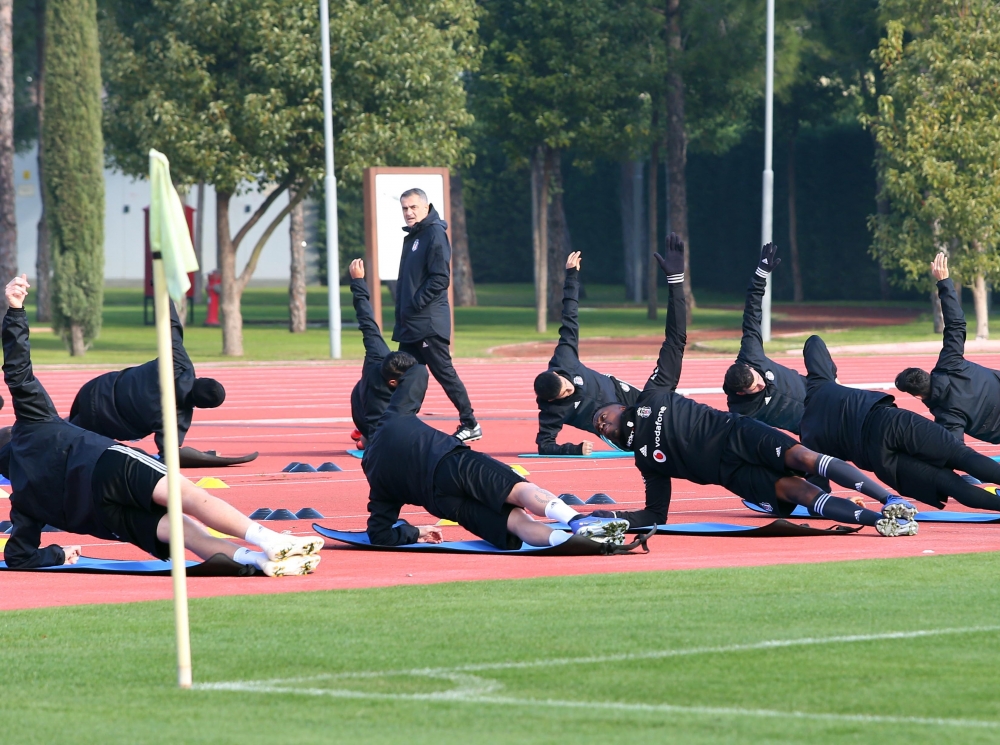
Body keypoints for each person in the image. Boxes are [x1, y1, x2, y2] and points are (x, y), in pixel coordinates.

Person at [589, 235, 918, 537]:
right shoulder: (646, 461)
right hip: (731, 474)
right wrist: (614, 518)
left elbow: (675, 340)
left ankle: (889, 499)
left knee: (804, 458)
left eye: (602, 416)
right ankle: (881, 521)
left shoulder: (653, 394)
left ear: (621, 405)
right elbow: (654, 514)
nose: (601, 423)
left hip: (738, 434)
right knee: (799, 492)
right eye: (598, 428)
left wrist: (675, 283)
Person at [0, 275, 321, 576]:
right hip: (107, 465)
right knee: (190, 496)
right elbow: (18, 371)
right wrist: (15, 310)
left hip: (102, 516)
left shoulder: (24, 501)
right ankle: (269, 540)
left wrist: (59, 553)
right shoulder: (32, 424)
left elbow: (19, 557)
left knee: (181, 531)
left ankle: (256, 561)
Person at [362, 352, 629, 549]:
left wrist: (414, 531)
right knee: (518, 490)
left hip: (441, 503)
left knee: (515, 523)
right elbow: (418, 371)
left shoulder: (375, 477)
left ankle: (568, 541)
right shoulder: (392, 417)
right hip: (452, 464)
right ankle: (577, 523)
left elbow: (380, 535)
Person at [801, 332, 1000, 512]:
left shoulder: (808, 435)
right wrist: (832, 375)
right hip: (889, 422)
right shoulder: (818, 383)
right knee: (962, 456)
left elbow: (818, 491)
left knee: (950, 484)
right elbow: (814, 342)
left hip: (880, 460)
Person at [68, 298, 225, 458]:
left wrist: (162, 290)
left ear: (202, 379)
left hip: (96, 389)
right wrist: (205, 457)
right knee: (70, 441)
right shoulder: (177, 418)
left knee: (66, 428)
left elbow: (172, 326)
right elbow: (168, 457)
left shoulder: (178, 362)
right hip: (105, 424)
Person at [391, 188, 480, 442]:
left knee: (444, 372)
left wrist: (416, 304)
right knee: (402, 373)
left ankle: (470, 422)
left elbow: (440, 278)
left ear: (426, 206)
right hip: (412, 324)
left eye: (413, 208)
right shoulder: (413, 236)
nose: (408, 213)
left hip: (428, 323)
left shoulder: (434, 234)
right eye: (405, 208)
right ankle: (400, 423)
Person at [533, 251, 639, 455]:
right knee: (640, 443)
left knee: (659, 406)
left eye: (565, 385)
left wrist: (571, 276)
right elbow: (544, 445)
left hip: (617, 391)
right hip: (607, 424)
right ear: (553, 401)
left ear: (557, 374)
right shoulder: (551, 411)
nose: (569, 390)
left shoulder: (564, 359)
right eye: (563, 394)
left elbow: (569, 318)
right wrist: (574, 449)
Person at [895, 252, 1000, 444]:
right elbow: (956, 324)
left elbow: (956, 452)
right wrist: (944, 282)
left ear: (918, 397)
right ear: (926, 374)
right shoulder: (949, 363)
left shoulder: (947, 416)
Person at [723, 243, 807, 434]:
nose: (763, 384)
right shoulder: (742, 410)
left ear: (749, 367)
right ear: (740, 393)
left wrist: (760, 275)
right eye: (756, 387)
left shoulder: (751, 354)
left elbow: (752, 313)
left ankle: (834, 381)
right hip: (813, 426)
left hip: (816, 389)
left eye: (758, 379)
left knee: (814, 343)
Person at [348, 258, 392, 449]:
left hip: (369, 421)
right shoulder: (414, 379)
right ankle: (367, 437)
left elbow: (366, 319)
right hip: (386, 428)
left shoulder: (377, 355)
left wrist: (358, 281)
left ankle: (366, 436)